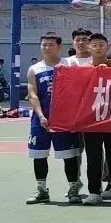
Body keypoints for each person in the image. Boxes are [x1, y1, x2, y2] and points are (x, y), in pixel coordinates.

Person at [25, 32, 82, 204]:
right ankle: (41, 190)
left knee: (69, 155)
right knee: (39, 155)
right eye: (44, 44)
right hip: (41, 119)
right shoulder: (34, 69)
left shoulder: (69, 64)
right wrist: (41, 116)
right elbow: (33, 94)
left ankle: (73, 189)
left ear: (59, 46)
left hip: (64, 120)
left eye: (51, 44)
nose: (47, 48)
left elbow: (78, 89)